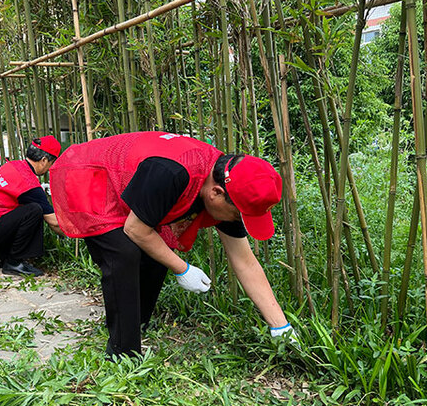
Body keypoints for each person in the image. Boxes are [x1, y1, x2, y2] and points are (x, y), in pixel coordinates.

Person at [49, 131, 296, 358]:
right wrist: (183, 269)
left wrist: (280, 325)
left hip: (133, 183)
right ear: (217, 193)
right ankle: (123, 354)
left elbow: (245, 262)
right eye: (237, 215)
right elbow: (135, 229)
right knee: (123, 252)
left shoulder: (233, 190)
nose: (236, 220)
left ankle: (137, 323)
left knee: (158, 251)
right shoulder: (173, 173)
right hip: (91, 174)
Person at [0, 136, 64, 276]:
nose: (50, 168)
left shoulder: (13, 166)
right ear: (44, 160)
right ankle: (14, 263)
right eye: (52, 163)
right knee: (34, 210)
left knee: (16, 211)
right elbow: (54, 222)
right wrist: (77, 235)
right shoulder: (28, 183)